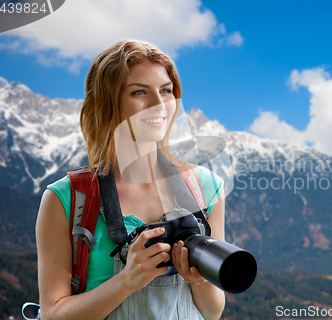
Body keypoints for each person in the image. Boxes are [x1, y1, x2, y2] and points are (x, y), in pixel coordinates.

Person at [36, 40, 226, 320]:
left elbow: (212, 310)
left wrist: (197, 278)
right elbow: (52, 313)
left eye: (166, 91)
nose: (159, 105)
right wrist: (126, 281)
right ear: (108, 102)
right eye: (139, 92)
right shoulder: (68, 198)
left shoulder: (206, 188)